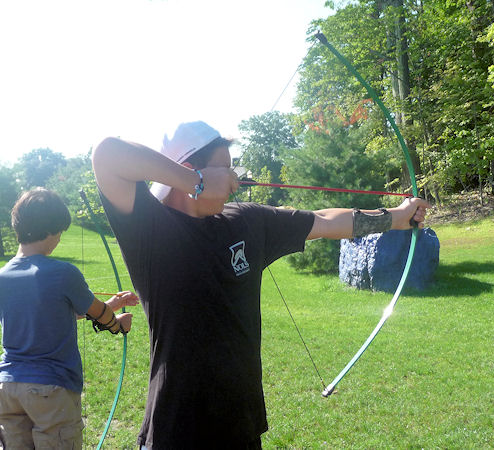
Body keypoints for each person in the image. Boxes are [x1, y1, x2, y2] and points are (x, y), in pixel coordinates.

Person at [92, 121, 430, 449]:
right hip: (175, 429)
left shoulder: (245, 221)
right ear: (191, 170)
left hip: (241, 426)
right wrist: (196, 181)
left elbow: (324, 220)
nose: (233, 181)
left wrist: (395, 217)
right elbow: (107, 154)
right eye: (224, 169)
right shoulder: (149, 229)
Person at [0, 188, 138, 449]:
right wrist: (117, 324)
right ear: (51, 230)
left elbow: (53, 314)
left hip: (8, 388)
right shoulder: (63, 273)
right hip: (50, 390)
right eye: (60, 232)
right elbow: (99, 314)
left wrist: (112, 304)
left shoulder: (3, 276)